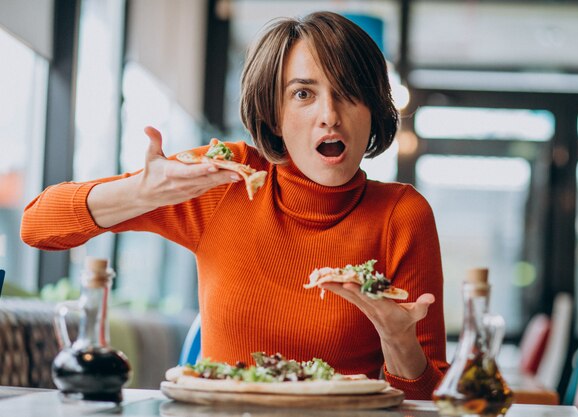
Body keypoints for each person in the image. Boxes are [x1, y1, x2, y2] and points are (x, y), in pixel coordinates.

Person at [21, 11, 448, 399]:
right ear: (274, 113)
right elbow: (37, 225)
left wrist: (397, 341)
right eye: (303, 94)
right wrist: (139, 194)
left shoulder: (402, 215)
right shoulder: (227, 178)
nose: (329, 115)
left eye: (349, 92)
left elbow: (427, 401)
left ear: (373, 108)